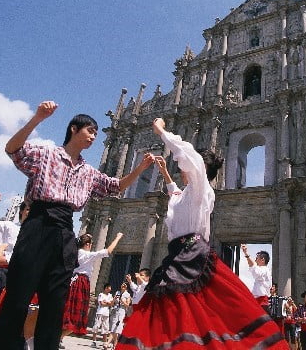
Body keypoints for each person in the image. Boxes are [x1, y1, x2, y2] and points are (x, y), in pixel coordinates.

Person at [0, 101, 154, 350]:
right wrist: (37, 118)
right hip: (38, 223)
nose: (93, 137)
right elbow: (13, 149)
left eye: (95, 134)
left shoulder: (88, 172)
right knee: (19, 296)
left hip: (65, 230)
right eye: (89, 131)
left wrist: (140, 169)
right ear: (73, 130)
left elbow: (115, 186)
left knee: (55, 301)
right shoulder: (45, 154)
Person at [117, 118, 288, 349]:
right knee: (180, 311)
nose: (181, 166)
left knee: (185, 310)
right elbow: (174, 194)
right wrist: (165, 173)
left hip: (192, 255)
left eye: (183, 165)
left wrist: (161, 131)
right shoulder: (188, 194)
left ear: (199, 168)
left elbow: (190, 155)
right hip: (178, 256)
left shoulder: (201, 188)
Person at [0, 196, 30, 350]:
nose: (31, 213)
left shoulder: (38, 235)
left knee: (21, 318)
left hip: (25, 278)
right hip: (6, 274)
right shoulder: (10, 227)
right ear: (21, 211)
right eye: (28, 209)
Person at [60, 232, 124, 346]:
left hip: (72, 282)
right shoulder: (86, 255)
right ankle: (58, 337)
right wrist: (117, 238)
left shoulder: (75, 253)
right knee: (76, 318)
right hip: (81, 284)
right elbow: (108, 251)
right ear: (88, 244)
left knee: (67, 313)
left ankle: (58, 337)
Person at [241, 244, 272, 311]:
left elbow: (255, 270)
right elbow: (253, 267)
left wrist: (246, 254)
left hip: (262, 302)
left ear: (262, 259)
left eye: (256, 258)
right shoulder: (263, 270)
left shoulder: (265, 269)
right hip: (258, 301)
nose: (255, 260)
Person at [107, 283, 131, 349]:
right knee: (114, 327)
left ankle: (111, 343)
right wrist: (114, 299)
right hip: (116, 310)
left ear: (126, 287)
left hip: (122, 311)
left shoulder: (127, 294)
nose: (123, 286)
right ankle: (113, 344)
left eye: (124, 286)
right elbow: (112, 303)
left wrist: (123, 301)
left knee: (118, 328)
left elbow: (127, 305)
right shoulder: (117, 292)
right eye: (122, 285)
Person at [91, 283, 113, 349]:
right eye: (109, 287)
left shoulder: (110, 295)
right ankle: (94, 341)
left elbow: (111, 303)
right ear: (106, 288)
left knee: (105, 328)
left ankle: (104, 342)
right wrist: (107, 303)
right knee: (97, 326)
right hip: (100, 312)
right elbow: (101, 304)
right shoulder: (101, 295)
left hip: (106, 313)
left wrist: (107, 303)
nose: (110, 289)